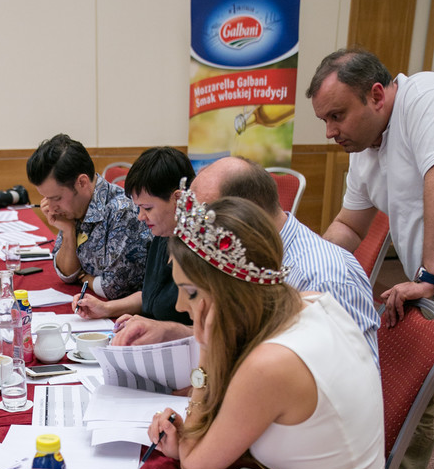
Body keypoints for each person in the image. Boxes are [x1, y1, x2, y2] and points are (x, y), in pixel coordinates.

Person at [148, 187, 406, 469]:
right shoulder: (312, 302)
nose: (180, 305)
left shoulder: (269, 366)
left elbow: (195, 461)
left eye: (192, 292)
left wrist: (206, 352)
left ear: (227, 292)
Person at [306, 46, 434, 469]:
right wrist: (301, 278)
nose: (329, 131)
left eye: (336, 115)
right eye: (325, 119)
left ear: (376, 94)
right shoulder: (366, 154)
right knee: (411, 386)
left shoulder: (428, 96)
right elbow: (349, 226)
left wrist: (428, 276)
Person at [112, 156, 381, 359]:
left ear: (244, 215)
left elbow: (345, 390)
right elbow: (245, 345)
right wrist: (178, 333)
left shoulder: (323, 279)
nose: (192, 230)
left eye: (203, 217)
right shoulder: (245, 261)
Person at [73, 146, 195, 342]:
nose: (140, 217)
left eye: (147, 207)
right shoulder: (162, 236)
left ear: (178, 199)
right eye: (138, 208)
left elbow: (218, 332)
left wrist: (163, 328)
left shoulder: (202, 252)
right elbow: (152, 295)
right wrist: (106, 308)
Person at [26, 133, 151, 299]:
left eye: (56, 198)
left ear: (82, 182)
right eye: (46, 198)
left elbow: (113, 289)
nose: (50, 207)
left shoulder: (122, 211)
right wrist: (68, 231)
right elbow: (66, 274)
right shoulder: (74, 209)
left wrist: (84, 277)